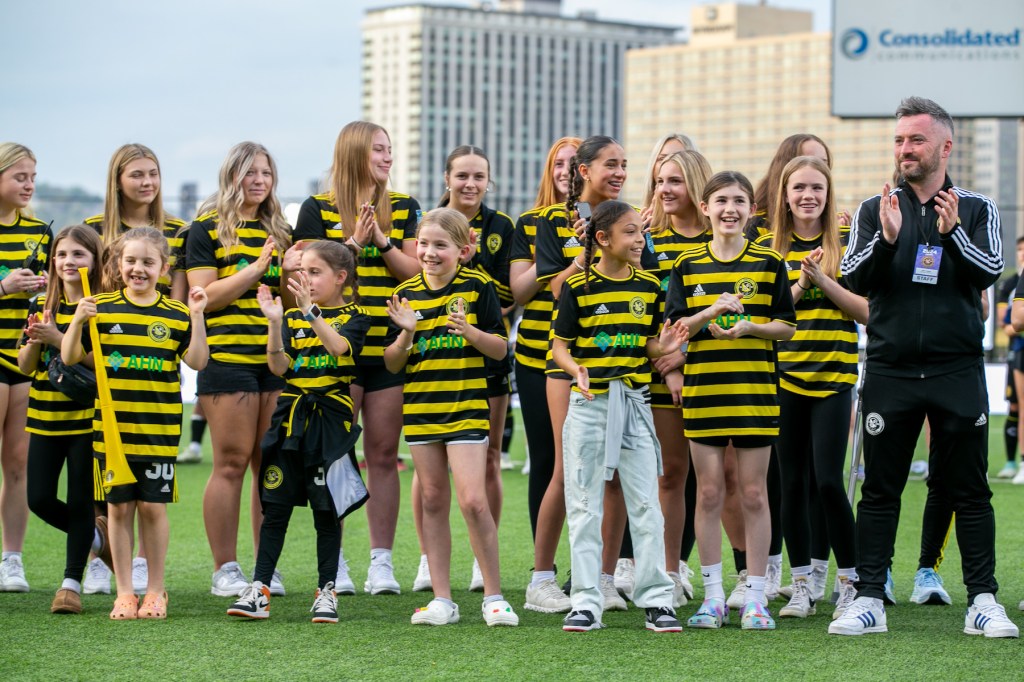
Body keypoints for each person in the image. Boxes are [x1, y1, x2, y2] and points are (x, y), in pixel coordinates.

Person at [832, 96, 1016, 638]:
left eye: (915, 140)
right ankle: (869, 598)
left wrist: (953, 233)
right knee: (880, 490)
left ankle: (982, 600)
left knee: (970, 489)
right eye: (898, 140)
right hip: (889, 369)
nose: (904, 149)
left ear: (944, 147)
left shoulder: (978, 209)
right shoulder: (875, 208)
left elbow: (989, 274)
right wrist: (887, 240)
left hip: (957, 370)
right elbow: (853, 277)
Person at [293, 121, 421, 595]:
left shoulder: (405, 206)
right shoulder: (316, 208)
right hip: (335, 348)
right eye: (378, 149)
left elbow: (414, 272)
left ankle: (381, 562)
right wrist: (350, 245)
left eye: (390, 149)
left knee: (384, 455)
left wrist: (382, 242)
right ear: (353, 153)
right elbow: (305, 274)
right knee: (337, 456)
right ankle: (337, 562)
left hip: (385, 346)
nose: (388, 157)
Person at [666, 171, 796, 631]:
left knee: (755, 493)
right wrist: (711, 311)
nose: (729, 209)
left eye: (739, 201)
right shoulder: (686, 264)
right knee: (708, 493)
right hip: (705, 395)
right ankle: (713, 598)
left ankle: (756, 597)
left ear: (751, 210)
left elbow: (787, 326)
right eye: (721, 200)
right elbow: (674, 332)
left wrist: (750, 327)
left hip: (755, 392)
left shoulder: (768, 263)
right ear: (705, 208)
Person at [553, 200, 688, 633]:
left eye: (641, 232)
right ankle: (586, 601)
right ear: (603, 239)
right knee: (585, 504)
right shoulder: (578, 287)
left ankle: (657, 599)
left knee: (646, 504)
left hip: (635, 402)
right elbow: (558, 346)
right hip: (589, 405)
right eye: (630, 232)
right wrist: (577, 371)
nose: (639, 240)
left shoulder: (650, 286)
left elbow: (648, 346)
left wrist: (664, 347)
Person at [62, 227, 209, 619]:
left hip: (158, 430)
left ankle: (156, 591)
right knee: (119, 509)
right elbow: (70, 355)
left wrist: (197, 317)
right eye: (130, 261)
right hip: (112, 432)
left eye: (148, 262)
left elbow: (197, 362)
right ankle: (124, 590)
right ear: (117, 265)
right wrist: (77, 320)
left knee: (152, 508)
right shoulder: (102, 307)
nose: (138, 269)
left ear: (164, 269)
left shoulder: (176, 314)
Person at [384, 207, 518, 627]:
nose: (428, 252)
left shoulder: (478, 287)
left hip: (466, 409)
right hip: (422, 411)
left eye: (440, 245)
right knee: (431, 499)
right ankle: (442, 599)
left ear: (464, 250)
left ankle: (494, 597)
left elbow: (500, 349)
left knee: (474, 502)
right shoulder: (406, 292)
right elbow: (391, 364)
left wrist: (470, 332)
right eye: (423, 244)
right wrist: (406, 332)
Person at [229, 241, 370, 623]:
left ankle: (327, 591)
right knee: (274, 508)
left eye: (314, 272)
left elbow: (340, 348)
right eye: (301, 271)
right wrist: (275, 322)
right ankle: (259, 589)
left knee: (326, 512)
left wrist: (310, 312)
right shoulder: (291, 318)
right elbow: (279, 367)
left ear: (341, 278)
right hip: (290, 417)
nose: (303, 279)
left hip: (330, 422)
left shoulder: (356, 315)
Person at [755, 156, 866, 619]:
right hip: (785, 379)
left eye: (816, 188)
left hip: (835, 377)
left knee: (827, 481)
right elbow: (764, 319)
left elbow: (866, 311)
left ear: (828, 193)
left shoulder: (848, 245)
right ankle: (800, 584)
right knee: (792, 484)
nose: (808, 196)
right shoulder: (766, 248)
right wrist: (799, 285)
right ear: (784, 194)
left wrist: (824, 280)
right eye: (798, 187)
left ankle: (851, 581)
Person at [187, 142, 292, 598]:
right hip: (226, 360)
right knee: (229, 463)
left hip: (273, 360)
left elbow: (291, 297)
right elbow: (203, 296)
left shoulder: (281, 231)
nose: (258, 181)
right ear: (231, 176)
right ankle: (224, 568)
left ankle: (264, 568)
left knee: (268, 465)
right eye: (249, 172)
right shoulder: (206, 229)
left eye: (265, 173)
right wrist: (256, 270)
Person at [412, 145, 515, 593]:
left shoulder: (502, 227)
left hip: (478, 366)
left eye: (479, 176)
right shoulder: (430, 224)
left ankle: (481, 565)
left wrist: (472, 327)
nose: (470, 184)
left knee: (485, 462)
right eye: (462, 176)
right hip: (430, 376)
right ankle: (427, 562)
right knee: (430, 480)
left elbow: (510, 297)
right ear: (447, 178)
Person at [509, 136, 580, 614]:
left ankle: (596, 571)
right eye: (559, 162)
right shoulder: (531, 224)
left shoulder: (609, 218)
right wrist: (558, 258)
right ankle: (544, 574)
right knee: (549, 462)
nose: (567, 170)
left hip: (593, 358)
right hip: (537, 358)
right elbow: (518, 289)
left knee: (594, 468)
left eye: (576, 163)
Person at [20, 225, 106, 613]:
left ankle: (70, 583)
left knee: (79, 500)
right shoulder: (41, 305)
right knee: (38, 497)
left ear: (94, 260)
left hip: (87, 418)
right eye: (62, 255)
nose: (68, 261)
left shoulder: (100, 307)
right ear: (53, 262)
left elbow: (101, 364)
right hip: (43, 414)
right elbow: (24, 365)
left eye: (78, 254)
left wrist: (60, 338)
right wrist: (38, 338)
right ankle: (97, 538)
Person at [643, 149, 712, 608]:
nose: (665, 189)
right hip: (659, 371)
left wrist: (684, 360)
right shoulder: (648, 240)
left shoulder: (720, 238)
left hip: (712, 373)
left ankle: (741, 576)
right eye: (660, 180)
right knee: (670, 476)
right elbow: (645, 311)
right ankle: (667, 571)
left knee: (716, 479)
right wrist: (669, 364)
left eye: (676, 181)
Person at [0, 143, 49, 593]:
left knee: (18, 464)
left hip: (24, 359)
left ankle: (11, 559)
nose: (28, 184)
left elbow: (47, 300)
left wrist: (46, 288)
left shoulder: (39, 232)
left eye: (32, 176)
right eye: (19, 176)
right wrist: (3, 286)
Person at [86, 144, 186, 300]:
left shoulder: (180, 230)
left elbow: (180, 301)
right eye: (137, 175)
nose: (147, 182)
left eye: (153, 174)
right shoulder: (92, 228)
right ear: (117, 181)